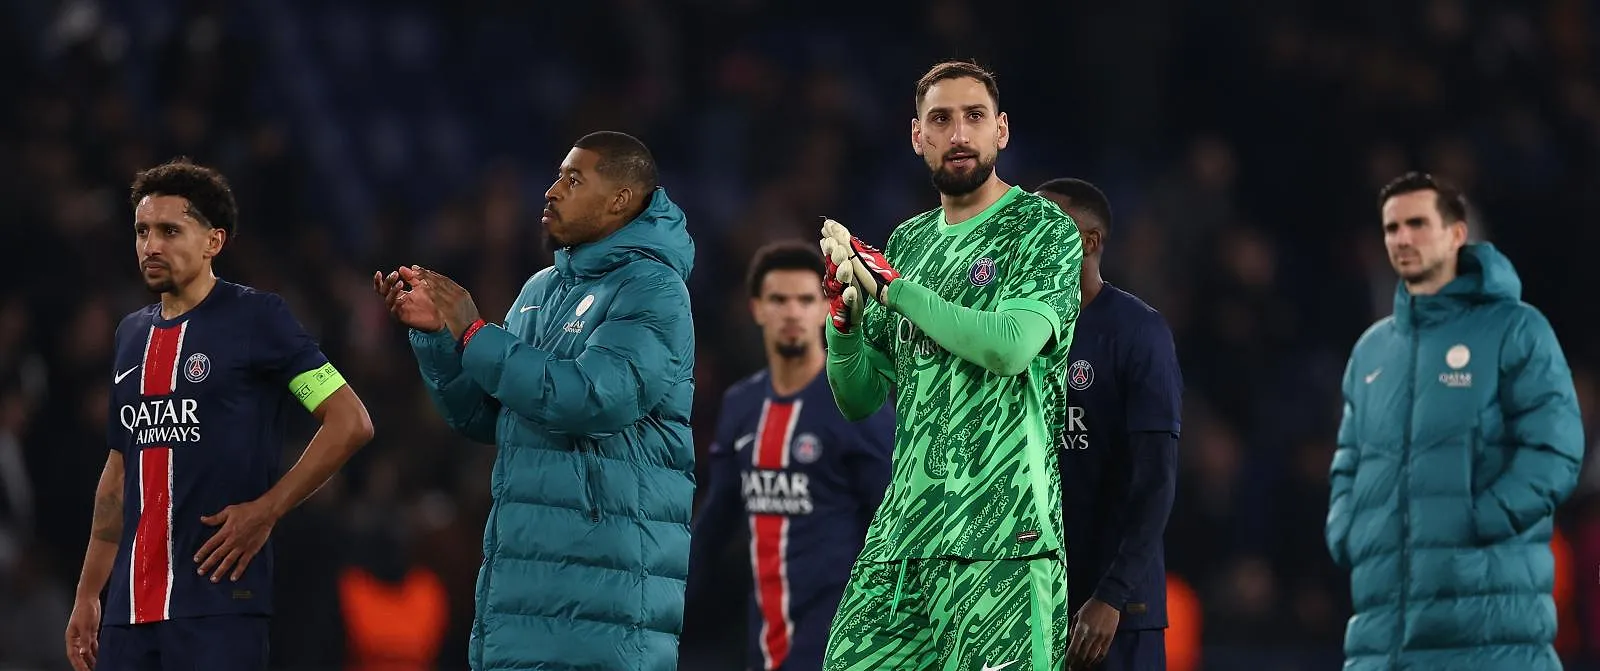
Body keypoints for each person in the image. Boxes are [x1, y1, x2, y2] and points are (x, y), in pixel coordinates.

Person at [374, 131, 696, 671]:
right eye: (556, 176)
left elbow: (593, 398)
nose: (551, 191)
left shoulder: (653, 290)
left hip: (604, 600)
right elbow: (487, 416)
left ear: (619, 199)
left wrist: (475, 333)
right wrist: (440, 339)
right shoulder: (540, 290)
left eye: (574, 179)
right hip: (520, 591)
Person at [817, 60, 1083, 671]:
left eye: (974, 117)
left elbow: (1010, 347)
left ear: (1001, 130)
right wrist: (843, 327)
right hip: (902, 539)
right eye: (940, 119)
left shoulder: (1041, 229)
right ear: (918, 137)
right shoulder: (908, 242)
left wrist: (895, 290)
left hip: (1003, 539)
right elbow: (859, 398)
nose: (958, 134)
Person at [64, 158, 376, 671]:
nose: (151, 246)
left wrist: (268, 509)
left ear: (214, 241)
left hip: (217, 607)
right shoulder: (130, 336)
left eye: (170, 231)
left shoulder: (258, 318)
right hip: (127, 613)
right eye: (142, 231)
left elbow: (350, 421)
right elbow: (119, 471)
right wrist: (87, 594)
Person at [1326, 172, 1583, 670]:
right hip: (1381, 640)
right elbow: (1349, 462)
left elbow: (1556, 450)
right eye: (1392, 227)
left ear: (1457, 234)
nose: (1402, 238)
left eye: (1418, 224)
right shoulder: (1371, 351)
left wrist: (1476, 522)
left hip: (1489, 635)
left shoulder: (1516, 329)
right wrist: (1348, 531)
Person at [684, 242, 896, 671]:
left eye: (805, 299)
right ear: (757, 309)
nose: (793, 312)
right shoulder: (741, 406)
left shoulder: (858, 404)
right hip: (763, 641)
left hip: (841, 643)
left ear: (825, 308)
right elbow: (715, 523)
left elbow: (893, 522)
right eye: (779, 300)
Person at [1035, 178, 1182, 671]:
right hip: (1030, 603)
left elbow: (1156, 478)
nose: (1029, 236)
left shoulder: (1138, 332)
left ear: (1089, 241)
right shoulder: (1015, 333)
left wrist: (1113, 594)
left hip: (1115, 613)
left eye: (1047, 224)